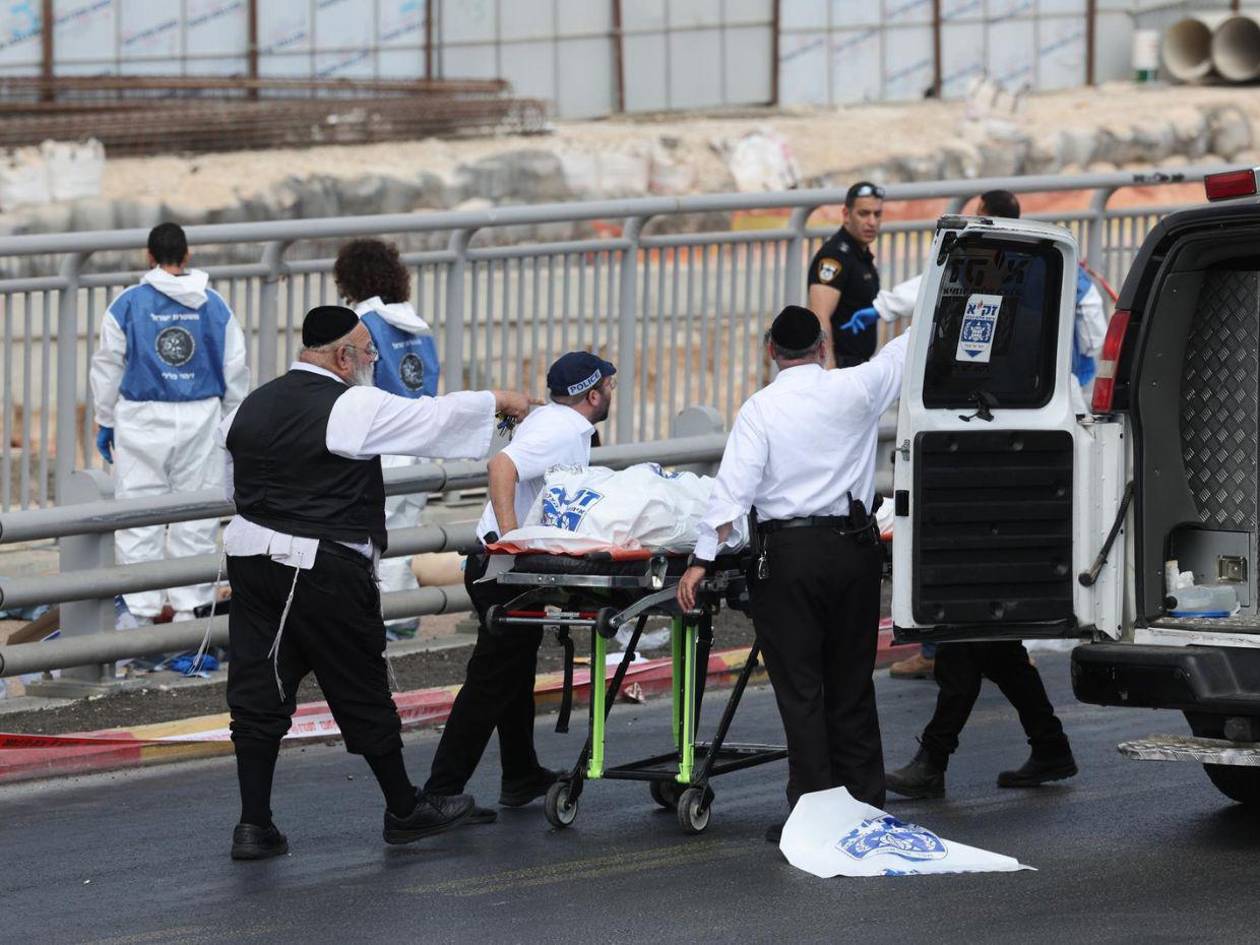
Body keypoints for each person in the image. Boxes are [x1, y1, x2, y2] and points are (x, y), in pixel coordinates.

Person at [218, 304, 531, 860]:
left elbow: (231, 489)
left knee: (258, 691)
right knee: (360, 684)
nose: (373, 361)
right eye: (368, 352)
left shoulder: (250, 405)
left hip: (250, 560)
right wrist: (499, 401)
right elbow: (430, 419)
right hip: (321, 566)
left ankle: (253, 824)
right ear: (344, 356)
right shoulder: (350, 403)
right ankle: (404, 808)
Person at [678, 305, 910, 842]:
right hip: (853, 550)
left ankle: (813, 813)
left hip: (787, 557)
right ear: (823, 348)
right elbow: (901, 354)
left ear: (771, 352)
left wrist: (701, 560)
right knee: (852, 682)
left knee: (801, 689)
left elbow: (732, 494)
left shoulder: (760, 409)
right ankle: (865, 806)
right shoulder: (857, 387)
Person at [882, 188, 1108, 681]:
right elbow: (1093, 331)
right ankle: (1002, 652)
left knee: (953, 540)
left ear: (983, 215)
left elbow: (924, 292)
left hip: (963, 422)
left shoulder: (976, 260)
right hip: (1042, 418)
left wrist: (878, 305)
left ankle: (946, 652)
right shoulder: (1055, 266)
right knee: (1014, 541)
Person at [423, 351, 617, 822]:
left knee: (514, 671)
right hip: (502, 569)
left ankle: (520, 773)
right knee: (491, 680)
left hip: (502, 568)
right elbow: (502, 466)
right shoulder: (562, 430)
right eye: (609, 387)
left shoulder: (556, 421)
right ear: (592, 395)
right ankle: (439, 792)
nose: (613, 393)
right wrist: (513, 540)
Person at [89, 222, 248, 624]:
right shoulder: (215, 305)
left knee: (139, 516)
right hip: (202, 416)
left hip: (141, 418)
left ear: (149, 256)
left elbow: (108, 366)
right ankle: (189, 615)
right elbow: (235, 369)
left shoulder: (127, 304)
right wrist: (231, 421)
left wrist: (105, 418)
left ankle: (140, 615)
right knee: (195, 516)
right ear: (187, 255)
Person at [334, 238, 441, 639]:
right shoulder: (417, 325)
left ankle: (381, 623)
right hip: (421, 443)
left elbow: (353, 391)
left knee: (369, 538)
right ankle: (401, 619)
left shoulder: (361, 325)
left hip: (382, 446)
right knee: (404, 535)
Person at [806, 180, 885, 369]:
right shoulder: (835, 256)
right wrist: (830, 371)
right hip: (841, 367)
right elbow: (820, 316)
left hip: (857, 366)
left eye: (877, 214)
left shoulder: (859, 254)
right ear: (846, 215)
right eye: (863, 214)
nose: (872, 222)